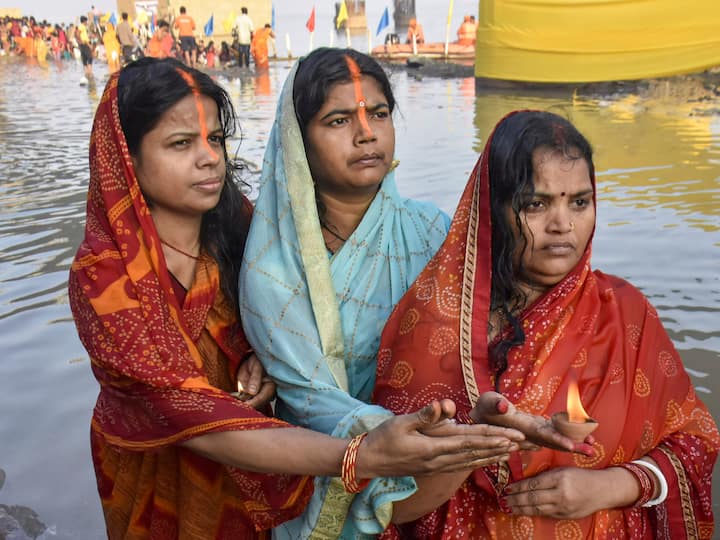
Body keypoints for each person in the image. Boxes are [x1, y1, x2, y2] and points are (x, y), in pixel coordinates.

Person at [68, 57, 531, 539]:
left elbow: (264, 330)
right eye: (181, 143)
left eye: (217, 140)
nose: (209, 158)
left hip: (265, 466)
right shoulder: (104, 277)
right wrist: (361, 454)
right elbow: (186, 411)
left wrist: (255, 357)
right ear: (126, 158)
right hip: (163, 469)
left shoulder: (243, 230)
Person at [238, 50, 588, 539]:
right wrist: (430, 439)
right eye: (339, 120)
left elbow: (478, 348)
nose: (367, 133)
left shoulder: (431, 232)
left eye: (379, 114)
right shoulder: (271, 268)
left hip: (441, 478)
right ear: (299, 141)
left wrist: (478, 425)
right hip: (325, 470)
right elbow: (312, 399)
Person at [373, 110, 720, 538]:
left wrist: (612, 486)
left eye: (579, 201)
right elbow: (391, 507)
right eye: (535, 204)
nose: (563, 226)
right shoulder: (433, 323)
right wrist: (476, 442)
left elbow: (695, 441)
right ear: (493, 210)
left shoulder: (626, 313)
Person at [76, 15, 93, 82]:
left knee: (85, 58)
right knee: (90, 57)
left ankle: (87, 73)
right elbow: (78, 33)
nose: (87, 22)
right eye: (86, 21)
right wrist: (80, 40)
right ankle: (89, 72)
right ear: (84, 21)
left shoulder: (83, 27)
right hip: (85, 44)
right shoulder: (82, 27)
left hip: (83, 44)